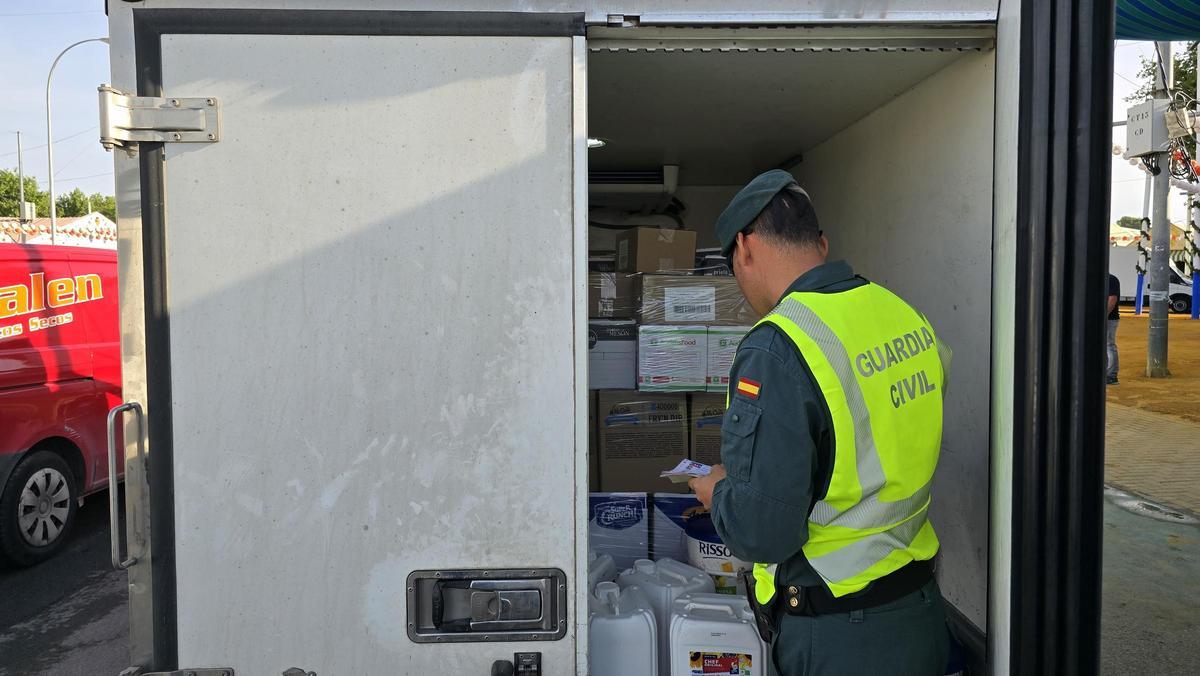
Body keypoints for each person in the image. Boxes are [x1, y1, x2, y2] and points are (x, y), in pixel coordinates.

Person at [689, 170, 951, 676]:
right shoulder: (902, 313)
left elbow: (763, 533)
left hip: (840, 632)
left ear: (743, 248)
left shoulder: (778, 345)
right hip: (918, 611)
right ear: (822, 244)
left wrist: (718, 490)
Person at [1108, 273, 1120, 385]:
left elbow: (1112, 299)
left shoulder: (1111, 279)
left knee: (1109, 346)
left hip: (1109, 319)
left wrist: (1104, 315)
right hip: (1106, 318)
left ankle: (1111, 375)